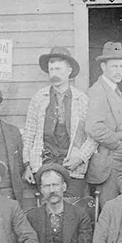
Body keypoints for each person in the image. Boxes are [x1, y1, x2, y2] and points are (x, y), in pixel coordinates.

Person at [23, 46, 96, 197]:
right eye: (51, 70)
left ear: (69, 70)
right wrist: (27, 165)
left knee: (71, 211)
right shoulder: (39, 98)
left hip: (72, 168)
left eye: (58, 69)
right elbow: (29, 134)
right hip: (44, 166)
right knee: (47, 210)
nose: (54, 74)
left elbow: (93, 136)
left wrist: (81, 157)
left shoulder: (82, 100)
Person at [85, 42, 122, 207]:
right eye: (114, 66)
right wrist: (117, 144)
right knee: (109, 208)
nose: (119, 70)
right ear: (103, 67)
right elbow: (93, 127)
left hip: (118, 160)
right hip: (108, 160)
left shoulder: (115, 90)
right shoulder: (98, 91)